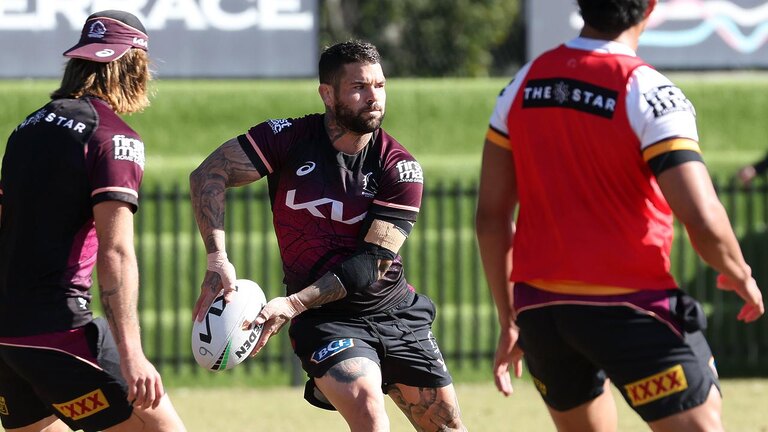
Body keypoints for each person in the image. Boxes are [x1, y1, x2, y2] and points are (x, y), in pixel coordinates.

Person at [475, 1, 764, 431]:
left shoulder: (522, 83)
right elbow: (701, 216)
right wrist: (739, 272)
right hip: (629, 308)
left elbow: (490, 218)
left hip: (543, 314)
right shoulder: (649, 90)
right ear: (649, 7)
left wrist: (508, 317)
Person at [190, 40, 466, 432]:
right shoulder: (287, 138)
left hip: (394, 313)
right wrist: (217, 256)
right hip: (327, 320)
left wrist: (292, 304)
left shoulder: (399, 168)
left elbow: (371, 263)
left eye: (380, 85)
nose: (374, 97)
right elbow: (208, 174)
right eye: (359, 87)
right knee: (369, 409)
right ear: (327, 93)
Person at [0, 10, 186, 432]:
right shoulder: (113, 138)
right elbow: (116, 251)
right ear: (132, 66)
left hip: (8, 340)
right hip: (60, 335)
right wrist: (132, 353)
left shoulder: (25, 129)